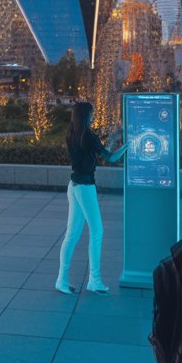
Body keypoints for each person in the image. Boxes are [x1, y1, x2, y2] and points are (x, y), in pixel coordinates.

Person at [56, 100, 126, 294]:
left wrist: (115, 137)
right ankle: (94, 280)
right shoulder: (88, 136)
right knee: (97, 232)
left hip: (74, 185)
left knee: (72, 235)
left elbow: (100, 150)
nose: (94, 116)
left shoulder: (72, 134)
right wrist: (127, 146)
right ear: (86, 116)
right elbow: (110, 157)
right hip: (85, 187)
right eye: (92, 113)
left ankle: (62, 280)